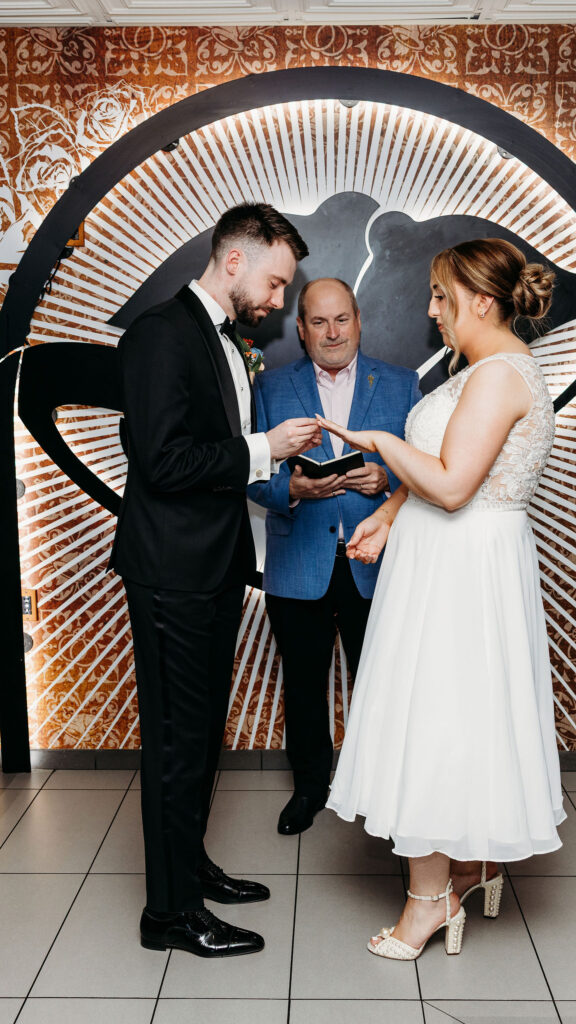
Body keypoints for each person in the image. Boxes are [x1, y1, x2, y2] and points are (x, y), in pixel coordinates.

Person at [319, 239, 567, 960]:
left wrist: (376, 441)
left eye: (439, 295)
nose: (429, 311)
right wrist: (387, 516)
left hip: (462, 570)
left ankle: (427, 903)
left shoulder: (497, 376)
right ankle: (467, 869)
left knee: (434, 722)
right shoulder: (480, 372)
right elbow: (439, 475)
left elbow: (456, 485)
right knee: (449, 718)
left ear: (479, 300)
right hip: (445, 562)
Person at [109, 203, 321, 957]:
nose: (277, 301)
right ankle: (167, 914)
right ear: (234, 261)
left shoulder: (226, 338)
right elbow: (162, 465)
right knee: (176, 742)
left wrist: (257, 454)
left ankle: (187, 868)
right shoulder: (162, 334)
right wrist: (262, 448)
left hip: (211, 566)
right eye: (273, 282)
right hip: (171, 572)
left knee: (199, 736)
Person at [248, 278, 422, 835]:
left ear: (359, 320)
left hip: (377, 564)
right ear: (300, 330)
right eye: (318, 322)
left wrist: (386, 476)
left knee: (385, 683)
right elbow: (252, 472)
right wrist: (291, 490)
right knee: (302, 685)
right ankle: (309, 789)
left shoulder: (401, 384)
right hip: (298, 561)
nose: (331, 332)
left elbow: (427, 469)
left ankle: (385, 791)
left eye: (341, 319)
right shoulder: (271, 388)